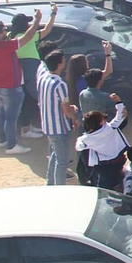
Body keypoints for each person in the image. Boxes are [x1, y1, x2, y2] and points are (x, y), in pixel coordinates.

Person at [0, 9, 42, 154]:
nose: (6, 31)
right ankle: (11, 145)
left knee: (2, 114)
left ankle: (3, 140)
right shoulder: (6, 46)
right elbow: (27, 37)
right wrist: (37, 21)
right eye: (3, 30)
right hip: (11, 86)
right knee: (11, 117)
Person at [38, 49, 78, 186]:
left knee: (55, 155)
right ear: (59, 64)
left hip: (48, 125)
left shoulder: (43, 78)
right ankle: (59, 188)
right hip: (59, 128)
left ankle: (50, 183)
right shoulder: (60, 84)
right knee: (62, 161)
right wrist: (74, 117)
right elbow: (65, 108)